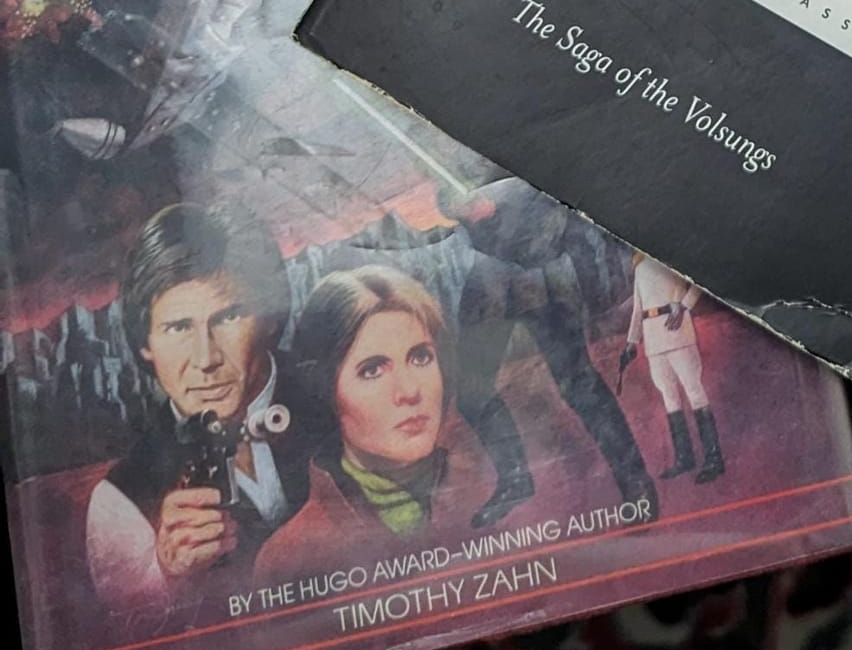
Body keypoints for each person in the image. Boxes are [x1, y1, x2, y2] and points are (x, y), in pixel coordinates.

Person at [85, 203, 306, 615]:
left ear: (270, 317)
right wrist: (167, 575)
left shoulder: (345, 395)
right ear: (145, 344)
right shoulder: (120, 501)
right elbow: (128, 630)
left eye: (229, 316)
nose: (206, 358)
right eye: (179, 328)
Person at [434, 176, 654, 534]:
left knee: (580, 388)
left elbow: (548, 232)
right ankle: (515, 479)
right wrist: (467, 208)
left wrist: (491, 211)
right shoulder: (469, 206)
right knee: (472, 393)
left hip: (546, 283)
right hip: (490, 287)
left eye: (469, 206)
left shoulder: (523, 197)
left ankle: (635, 482)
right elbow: (448, 195)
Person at [255, 266, 489, 577]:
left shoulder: (495, 489)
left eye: (420, 357)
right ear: (325, 390)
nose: (409, 391)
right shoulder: (291, 558)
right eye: (372, 370)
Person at [620, 255, 724, 483]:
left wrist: (684, 305)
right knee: (670, 398)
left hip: (677, 332)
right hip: (653, 341)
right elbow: (638, 307)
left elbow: (698, 282)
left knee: (694, 392)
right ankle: (684, 458)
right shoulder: (639, 263)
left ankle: (713, 458)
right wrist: (631, 342)